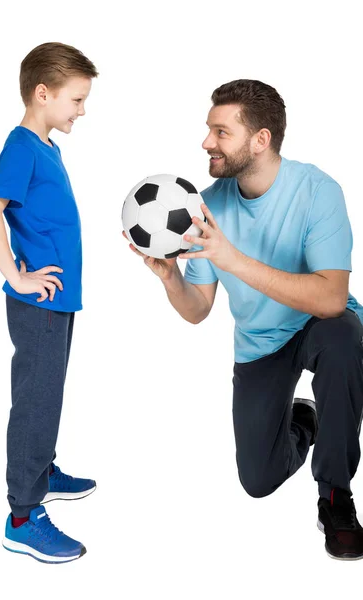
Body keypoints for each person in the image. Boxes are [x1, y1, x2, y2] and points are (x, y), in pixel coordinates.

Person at [124, 79, 363, 561]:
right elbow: (198, 311)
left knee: (343, 339)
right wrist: (171, 278)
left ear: (261, 140)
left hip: (320, 325)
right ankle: (303, 421)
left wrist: (232, 260)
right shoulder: (205, 207)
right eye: (208, 130)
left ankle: (335, 495)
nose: (206, 142)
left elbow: (333, 298)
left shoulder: (318, 191)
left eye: (220, 132)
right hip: (260, 343)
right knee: (257, 480)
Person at [0, 42, 98, 564]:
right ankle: (23, 515)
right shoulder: (22, 145)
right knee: (36, 400)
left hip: (59, 300)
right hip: (39, 301)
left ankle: (42, 468)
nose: (82, 110)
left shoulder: (46, 146)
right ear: (42, 93)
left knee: (50, 392)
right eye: (76, 99)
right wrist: (15, 276)